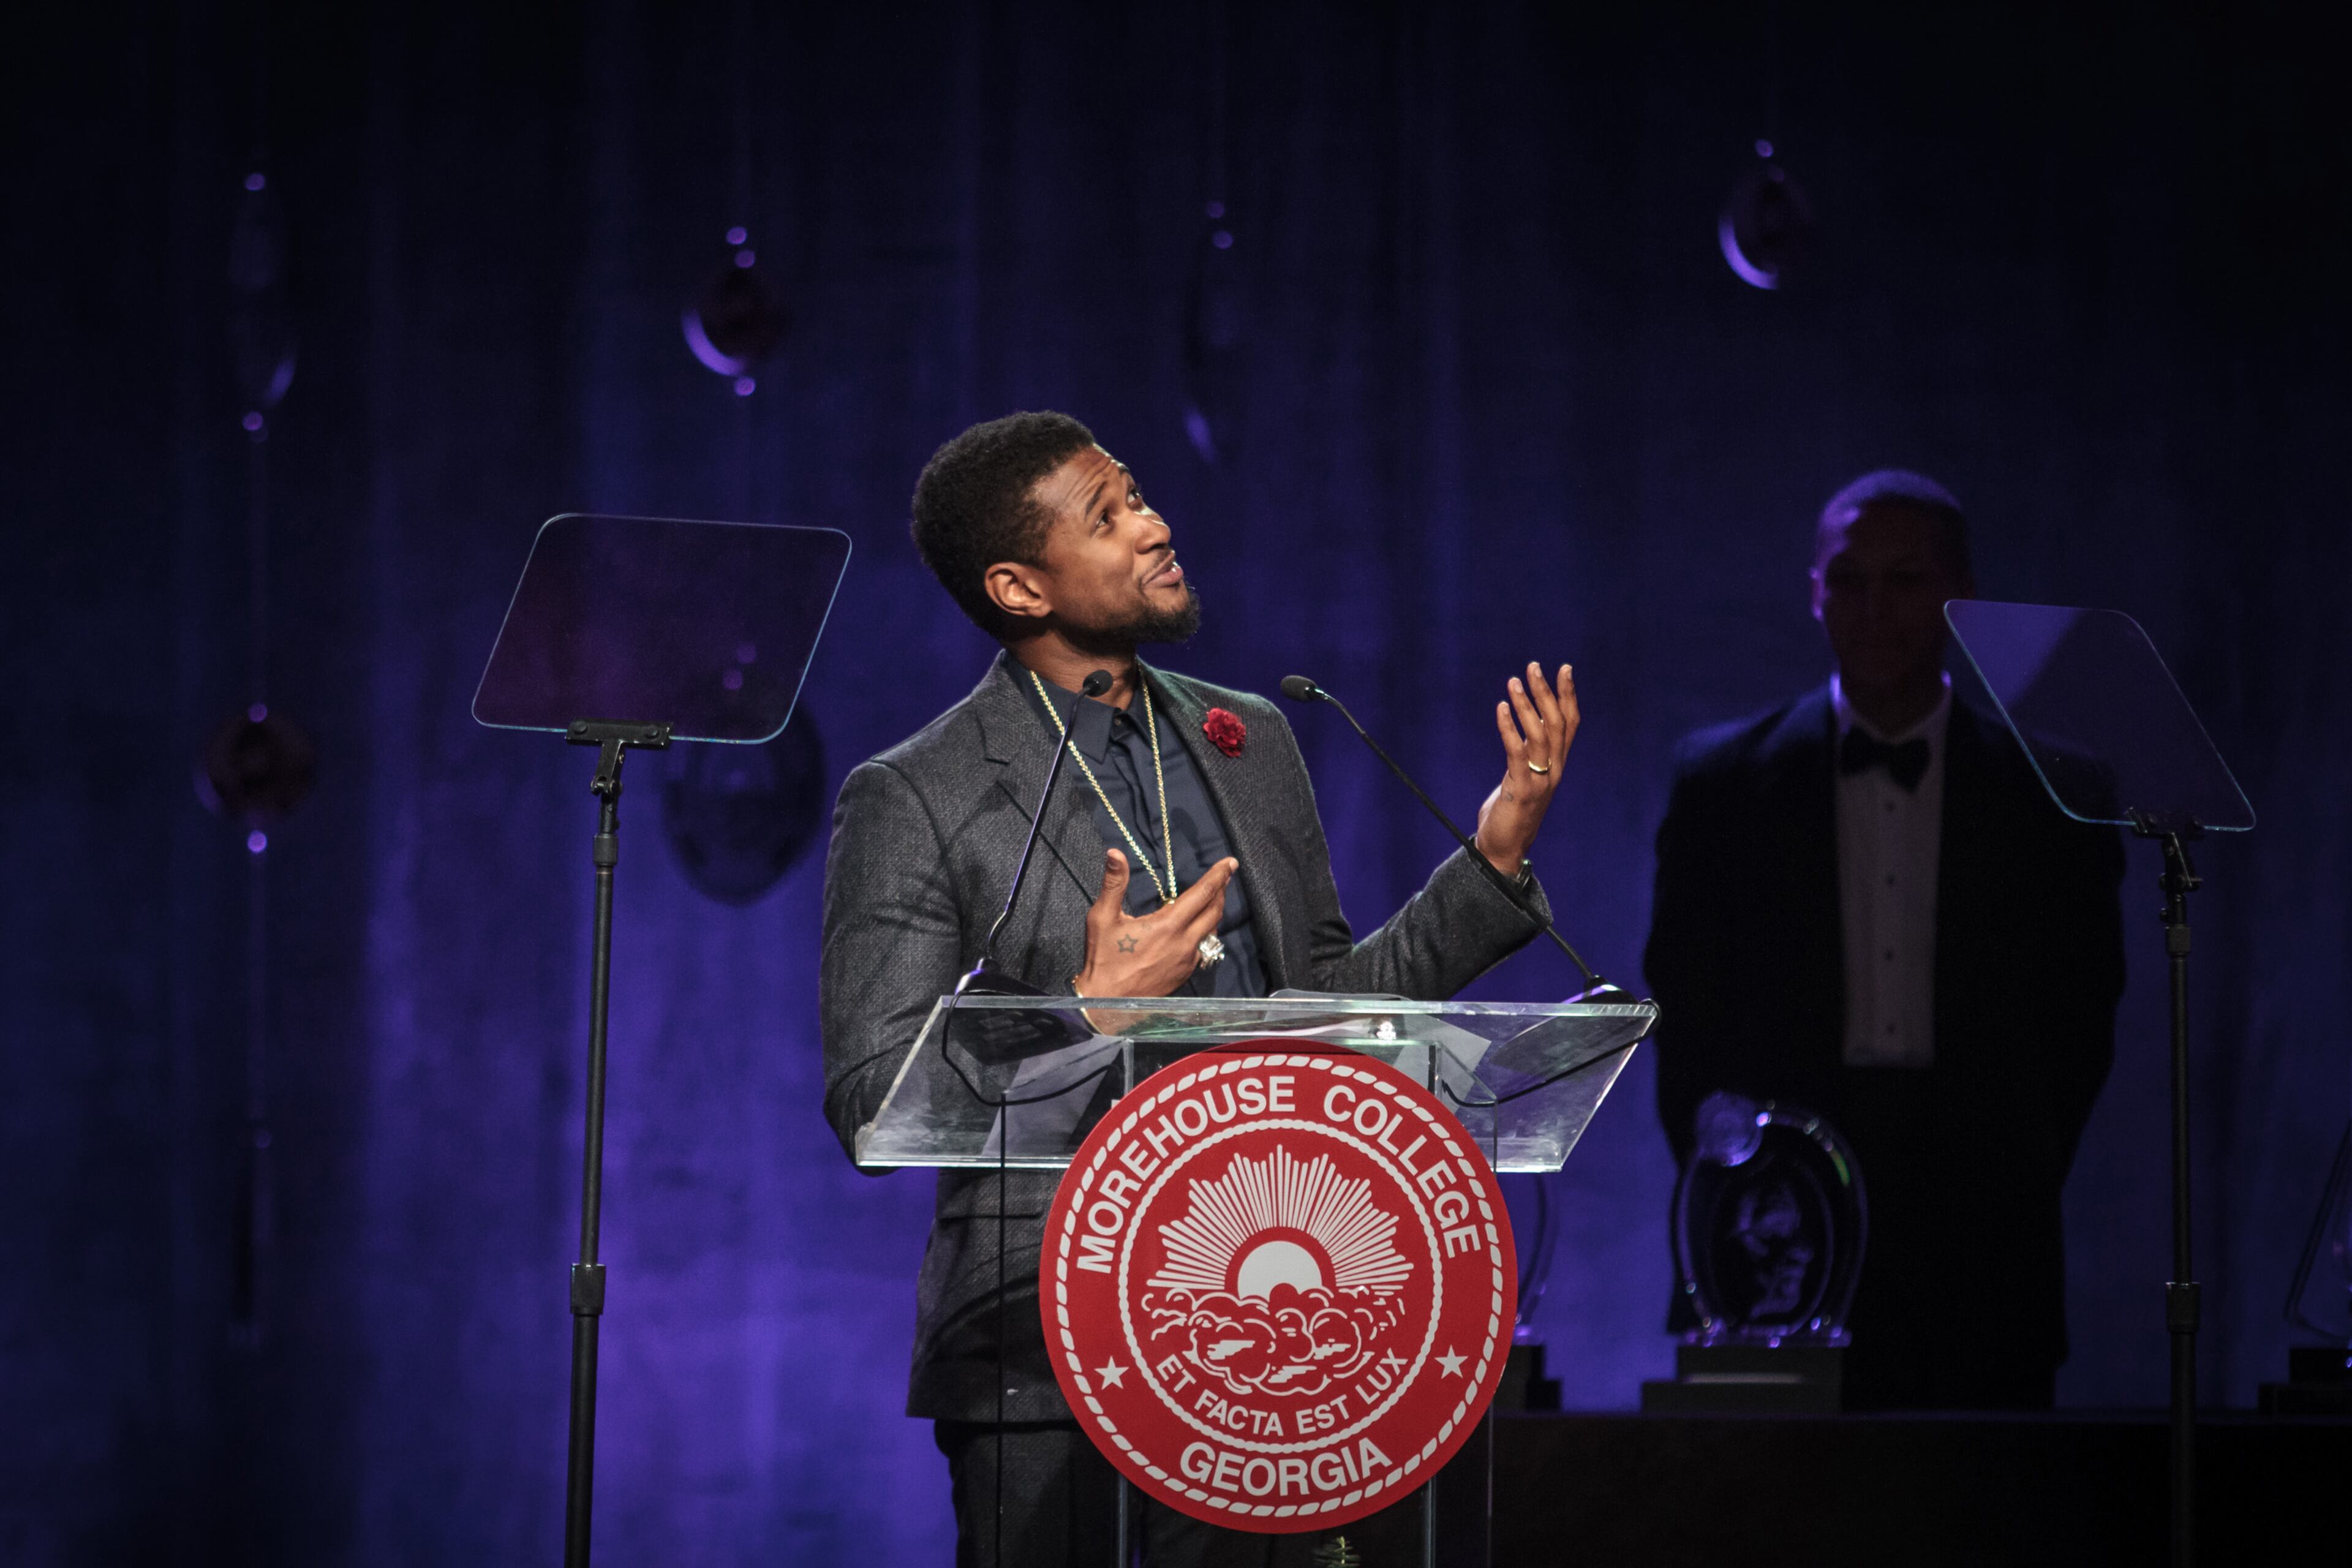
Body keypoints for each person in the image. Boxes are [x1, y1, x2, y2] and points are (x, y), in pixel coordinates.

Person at [819, 411, 1580, 1565]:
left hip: (1273, 1338)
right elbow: (874, 1102)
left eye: (1140, 496)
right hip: (1049, 1347)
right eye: (1110, 516)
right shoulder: (919, 794)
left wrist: (1493, 863)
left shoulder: (1250, 740)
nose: (1156, 526)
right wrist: (1085, 1019)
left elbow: (1330, 1003)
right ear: (1021, 589)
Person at [1644, 470, 2125, 1410]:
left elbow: (2081, 1019)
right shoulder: (1722, 782)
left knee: (1978, 1522)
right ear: (1814, 592)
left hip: (1986, 1228)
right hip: (1781, 1218)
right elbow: (1685, 1012)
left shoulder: (2055, 792)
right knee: (1767, 1526)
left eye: (1905, 580)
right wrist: (1747, 1194)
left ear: (1961, 596)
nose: (1874, 608)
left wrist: (2011, 1171)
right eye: (1848, 579)